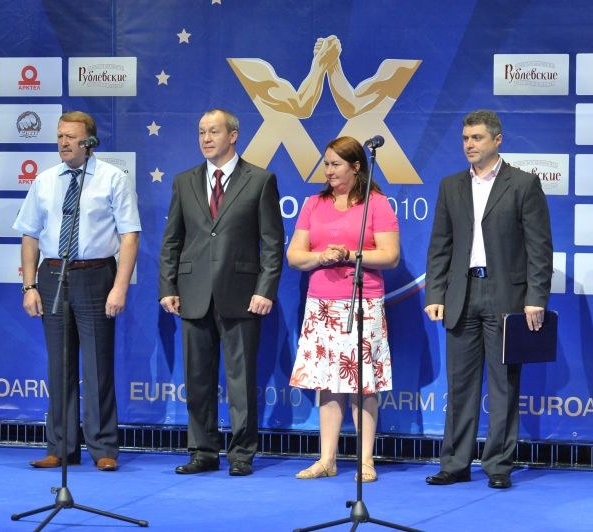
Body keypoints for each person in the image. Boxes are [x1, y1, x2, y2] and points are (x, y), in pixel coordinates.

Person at [424, 109, 552, 489]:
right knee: (459, 385)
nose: (469, 145)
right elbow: (440, 246)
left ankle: (498, 465)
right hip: (461, 294)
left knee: (503, 384)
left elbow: (539, 248)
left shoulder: (524, 184)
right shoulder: (451, 186)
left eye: (476, 138)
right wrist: (435, 292)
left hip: (507, 297)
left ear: (497, 140)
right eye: (465, 139)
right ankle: (455, 463)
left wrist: (536, 298)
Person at [158, 108, 284, 477]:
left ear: (233, 135)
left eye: (213, 131)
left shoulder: (260, 180)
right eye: (201, 132)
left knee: (240, 381)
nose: (206, 138)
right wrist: (168, 285)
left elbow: (272, 243)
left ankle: (242, 454)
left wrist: (266, 290)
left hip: (242, 295)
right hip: (192, 293)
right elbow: (172, 241)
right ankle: (203, 451)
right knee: (197, 379)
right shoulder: (184, 181)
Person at [13, 110, 141, 472]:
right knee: (59, 365)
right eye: (59, 137)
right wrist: (29, 285)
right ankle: (61, 447)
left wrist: (119, 287)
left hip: (96, 276)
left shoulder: (112, 178)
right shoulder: (45, 180)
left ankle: (103, 448)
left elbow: (130, 234)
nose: (64, 143)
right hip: (53, 275)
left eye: (71, 137)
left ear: (90, 141)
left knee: (98, 365)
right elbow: (29, 233)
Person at [287, 136, 400, 482]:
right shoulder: (313, 204)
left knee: (363, 383)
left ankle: (365, 461)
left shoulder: (376, 204)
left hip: (362, 302)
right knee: (328, 383)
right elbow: (295, 255)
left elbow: (390, 256)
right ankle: (327, 460)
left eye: (336, 164)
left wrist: (350, 255)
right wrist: (321, 257)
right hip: (321, 305)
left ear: (356, 166)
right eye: (326, 163)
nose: (329, 170)